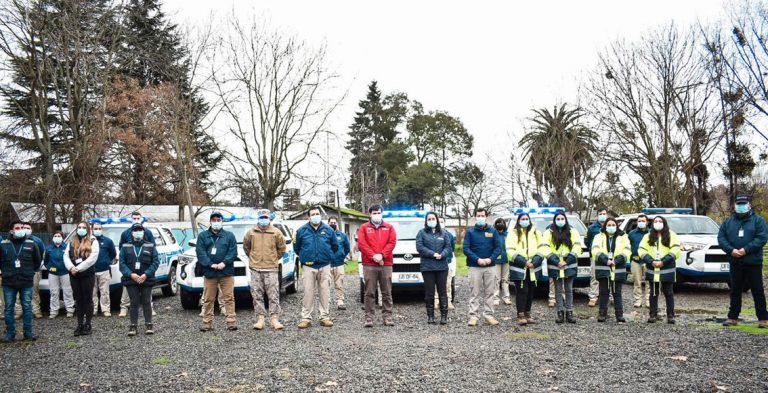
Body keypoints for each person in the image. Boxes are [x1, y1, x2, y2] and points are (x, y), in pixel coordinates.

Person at [718, 195, 768, 328]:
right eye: (738, 204)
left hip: (753, 262)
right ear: (734, 206)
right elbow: (721, 238)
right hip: (735, 261)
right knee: (735, 290)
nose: (741, 206)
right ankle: (733, 317)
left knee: (757, 290)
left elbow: (762, 238)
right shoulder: (728, 222)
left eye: (743, 204)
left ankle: (763, 318)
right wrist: (730, 250)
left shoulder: (758, 221)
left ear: (749, 205)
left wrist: (746, 249)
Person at [294, 207, 339, 329]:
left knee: (324, 291)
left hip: (324, 266)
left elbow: (335, 246)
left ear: (321, 215)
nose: (315, 216)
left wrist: (327, 256)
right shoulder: (301, 231)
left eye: (317, 214)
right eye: (313, 214)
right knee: (308, 292)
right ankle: (306, 318)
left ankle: (324, 317)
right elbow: (296, 249)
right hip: (308, 267)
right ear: (308, 217)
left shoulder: (328, 230)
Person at [243, 209, 286, 331]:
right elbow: (247, 248)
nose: (264, 219)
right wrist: (254, 258)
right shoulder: (251, 233)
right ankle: (260, 319)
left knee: (273, 294)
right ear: (258, 218)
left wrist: (273, 258)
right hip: (255, 268)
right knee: (257, 294)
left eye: (266, 217)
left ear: (269, 218)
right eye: (261, 217)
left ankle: (274, 319)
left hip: (271, 268)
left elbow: (282, 248)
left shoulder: (276, 232)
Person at [1, 221, 42, 341]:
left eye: (22, 228)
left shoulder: (31, 244)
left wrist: (29, 272)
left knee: (27, 307)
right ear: (11, 230)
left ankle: (28, 333)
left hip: (26, 281)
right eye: (17, 228)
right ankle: (10, 334)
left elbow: (37, 261)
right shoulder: (4, 245)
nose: (20, 230)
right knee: (9, 308)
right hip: (9, 281)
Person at [197, 211, 238, 332]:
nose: (216, 222)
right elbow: (200, 253)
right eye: (214, 220)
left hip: (226, 272)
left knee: (229, 298)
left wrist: (224, 263)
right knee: (209, 299)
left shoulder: (229, 235)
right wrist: (210, 264)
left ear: (222, 221)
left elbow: (233, 252)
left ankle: (231, 322)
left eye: (218, 220)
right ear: (210, 221)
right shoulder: (203, 236)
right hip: (210, 273)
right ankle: (207, 323)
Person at [357, 205, 397, 327]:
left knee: (387, 292)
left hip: (386, 264)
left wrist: (382, 255)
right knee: (369, 292)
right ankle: (369, 317)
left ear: (382, 213)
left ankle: (387, 316)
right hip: (369, 264)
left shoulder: (389, 227)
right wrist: (373, 256)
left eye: (378, 212)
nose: (376, 214)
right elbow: (362, 244)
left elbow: (392, 242)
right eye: (374, 213)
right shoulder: (364, 228)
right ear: (370, 214)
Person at [463, 208, 503, 327]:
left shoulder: (493, 231)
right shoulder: (470, 232)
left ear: (486, 216)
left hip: (490, 266)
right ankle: (473, 316)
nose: (480, 217)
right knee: (474, 292)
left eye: (482, 215)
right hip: (474, 266)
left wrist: (491, 259)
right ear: (475, 217)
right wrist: (477, 259)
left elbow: (498, 247)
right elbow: (466, 248)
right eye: (478, 215)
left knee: (489, 292)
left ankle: (489, 316)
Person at [119, 223, 160, 336]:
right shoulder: (125, 246)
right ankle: (133, 326)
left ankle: (149, 324)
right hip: (131, 279)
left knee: (147, 302)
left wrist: (146, 274)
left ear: (143, 232)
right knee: (134, 302)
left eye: (140, 230)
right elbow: (121, 264)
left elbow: (155, 262)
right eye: (136, 230)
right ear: (132, 232)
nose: (138, 232)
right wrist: (130, 274)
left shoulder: (150, 246)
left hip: (146, 279)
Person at [638, 216, 680, 324]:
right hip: (652, 267)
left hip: (667, 267)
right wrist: (651, 261)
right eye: (656, 221)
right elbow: (641, 250)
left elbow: (675, 249)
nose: (658, 223)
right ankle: (652, 315)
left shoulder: (672, 235)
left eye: (660, 221)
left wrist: (663, 261)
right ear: (652, 224)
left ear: (664, 223)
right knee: (653, 293)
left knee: (668, 292)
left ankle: (670, 316)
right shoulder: (647, 236)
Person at [542, 212, 581, 324]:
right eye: (558, 218)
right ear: (554, 220)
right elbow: (545, 247)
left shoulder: (573, 231)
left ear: (565, 219)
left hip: (569, 264)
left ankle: (569, 312)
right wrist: (556, 261)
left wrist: (567, 260)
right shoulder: (548, 232)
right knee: (558, 290)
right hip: (555, 265)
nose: (560, 220)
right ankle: (560, 312)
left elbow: (577, 246)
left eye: (562, 218)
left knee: (569, 290)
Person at [506, 213, 544, 326]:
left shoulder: (536, 232)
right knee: (522, 291)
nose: (525, 220)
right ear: (518, 220)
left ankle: (528, 313)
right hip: (519, 266)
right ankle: (520, 314)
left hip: (533, 267)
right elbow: (510, 249)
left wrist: (536, 261)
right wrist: (524, 261)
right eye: (523, 219)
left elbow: (542, 247)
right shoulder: (513, 233)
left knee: (531, 291)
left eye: (527, 219)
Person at [591, 217, 630, 323]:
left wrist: (616, 261)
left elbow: (626, 250)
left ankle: (619, 315)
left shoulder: (623, 237)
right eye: (609, 225)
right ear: (605, 226)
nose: (611, 227)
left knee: (617, 292)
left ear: (616, 226)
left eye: (613, 225)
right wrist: (605, 260)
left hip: (618, 268)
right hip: (603, 267)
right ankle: (602, 314)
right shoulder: (598, 236)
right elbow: (595, 250)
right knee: (603, 292)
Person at [64, 221, 100, 336]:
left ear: (88, 229)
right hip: (74, 275)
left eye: (83, 227)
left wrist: (78, 268)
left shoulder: (93, 241)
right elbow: (66, 256)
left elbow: (92, 258)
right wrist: (71, 268)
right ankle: (79, 324)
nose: (81, 229)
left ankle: (88, 324)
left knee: (87, 299)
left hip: (87, 274)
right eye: (79, 227)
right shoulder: (71, 242)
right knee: (78, 300)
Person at [416, 212, 451, 325]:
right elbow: (420, 247)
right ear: (426, 221)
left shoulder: (444, 233)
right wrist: (433, 254)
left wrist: (443, 254)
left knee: (442, 292)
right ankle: (430, 316)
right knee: (429, 292)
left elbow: (448, 247)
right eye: (429, 219)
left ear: (436, 219)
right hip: (428, 267)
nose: (431, 220)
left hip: (442, 267)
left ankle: (444, 316)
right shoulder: (421, 233)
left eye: (433, 218)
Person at [118, 211, 155, 318]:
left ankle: (150, 308)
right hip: (130, 267)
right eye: (134, 218)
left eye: (138, 218)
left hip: (144, 267)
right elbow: (121, 248)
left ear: (141, 218)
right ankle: (124, 308)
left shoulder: (147, 232)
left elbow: (153, 248)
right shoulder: (125, 233)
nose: (136, 220)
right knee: (127, 289)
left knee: (147, 291)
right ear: (131, 219)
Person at [45, 231, 75, 318]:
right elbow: (46, 261)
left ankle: (69, 310)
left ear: (62, 237)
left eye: (59, 236)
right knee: (54, 292)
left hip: (65, 273)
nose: (57, 237)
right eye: (55, 235)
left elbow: (71, 258)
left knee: (68, 291)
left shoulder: (67, 247)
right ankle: (54, 311)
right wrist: (49, 268)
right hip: (53, 274)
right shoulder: (49, 248)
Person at [584, 208, 608, 307]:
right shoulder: (592, 228)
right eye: (601, 214)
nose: (603, 215)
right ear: (597, 216)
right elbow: (587, 242)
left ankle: (609, 297)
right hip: (595, 256)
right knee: (594, 277)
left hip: (608, 257)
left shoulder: (610, 226)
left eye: (604, 214)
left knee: (608, 277)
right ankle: (593, 297)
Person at [91, 223, 116, 317]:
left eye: (99, 228)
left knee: (104, 291)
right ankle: (93, 309)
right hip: (91, 271)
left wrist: (106, 261)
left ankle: (105, 309)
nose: (97, 230)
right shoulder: (89, 241)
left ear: (102, 229)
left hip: (104, 270)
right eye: (95, 228)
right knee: (92, 292)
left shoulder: (108, 241)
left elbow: (113, 254)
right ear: (92, 229)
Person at [628, 214, 650, 308]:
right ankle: (638, 300)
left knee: (650, 282)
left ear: (647, 222)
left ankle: (649, 300)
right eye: (639, 221)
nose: (641, 222)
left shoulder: (651, 233)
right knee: (637, 282)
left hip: (648, 261)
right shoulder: (632, 233)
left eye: (643, 221)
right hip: (635, 261)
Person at [328, 216, 351, 310]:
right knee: (326, 285)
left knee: (339, 284)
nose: (333, 224)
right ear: (328, 223)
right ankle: (327, 302)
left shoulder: (342, 235)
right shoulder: (324, 234)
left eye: (334, 222)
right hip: (327, 264)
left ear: (337, 223)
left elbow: (347, 248)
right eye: (331, 222)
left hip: (339, 263)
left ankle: (340, 301)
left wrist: (342, 255)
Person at [434, 217, 456, 311]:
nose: (440, 223)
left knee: (447, 282)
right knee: (436, 283)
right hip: (435, 262)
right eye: (439, 222)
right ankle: (436, 301)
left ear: (445, 223)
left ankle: (448, 301)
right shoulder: (432, 234)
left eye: (442, 222)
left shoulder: (449, 235)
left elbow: (452, 249)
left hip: (447, 262)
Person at [493, 218, 512, 306]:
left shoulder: (508, 235)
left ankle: (506, 297)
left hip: (506, 260)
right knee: (496, 279)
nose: (500, 224)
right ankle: (495, 298)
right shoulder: (493, 235)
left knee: (505, 279)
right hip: (496, 260)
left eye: (502, 223)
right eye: (498, 223)